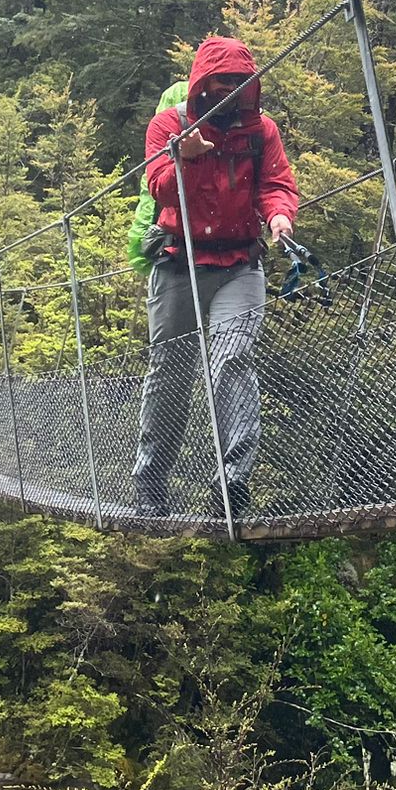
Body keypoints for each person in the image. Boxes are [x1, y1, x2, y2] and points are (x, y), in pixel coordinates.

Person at [133, 35, 298, 518]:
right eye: (220, 84)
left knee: (232, 358)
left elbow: (275, 184)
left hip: (240, 264)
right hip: (178, 262)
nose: (228, 94)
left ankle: (232, 484)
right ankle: (152, 487)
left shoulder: (261, 131)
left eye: (237, 85)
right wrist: (189, 157)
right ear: (202, 84)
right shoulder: (168, 125)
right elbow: (160, 190)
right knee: (170, 376)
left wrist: (280, 216)